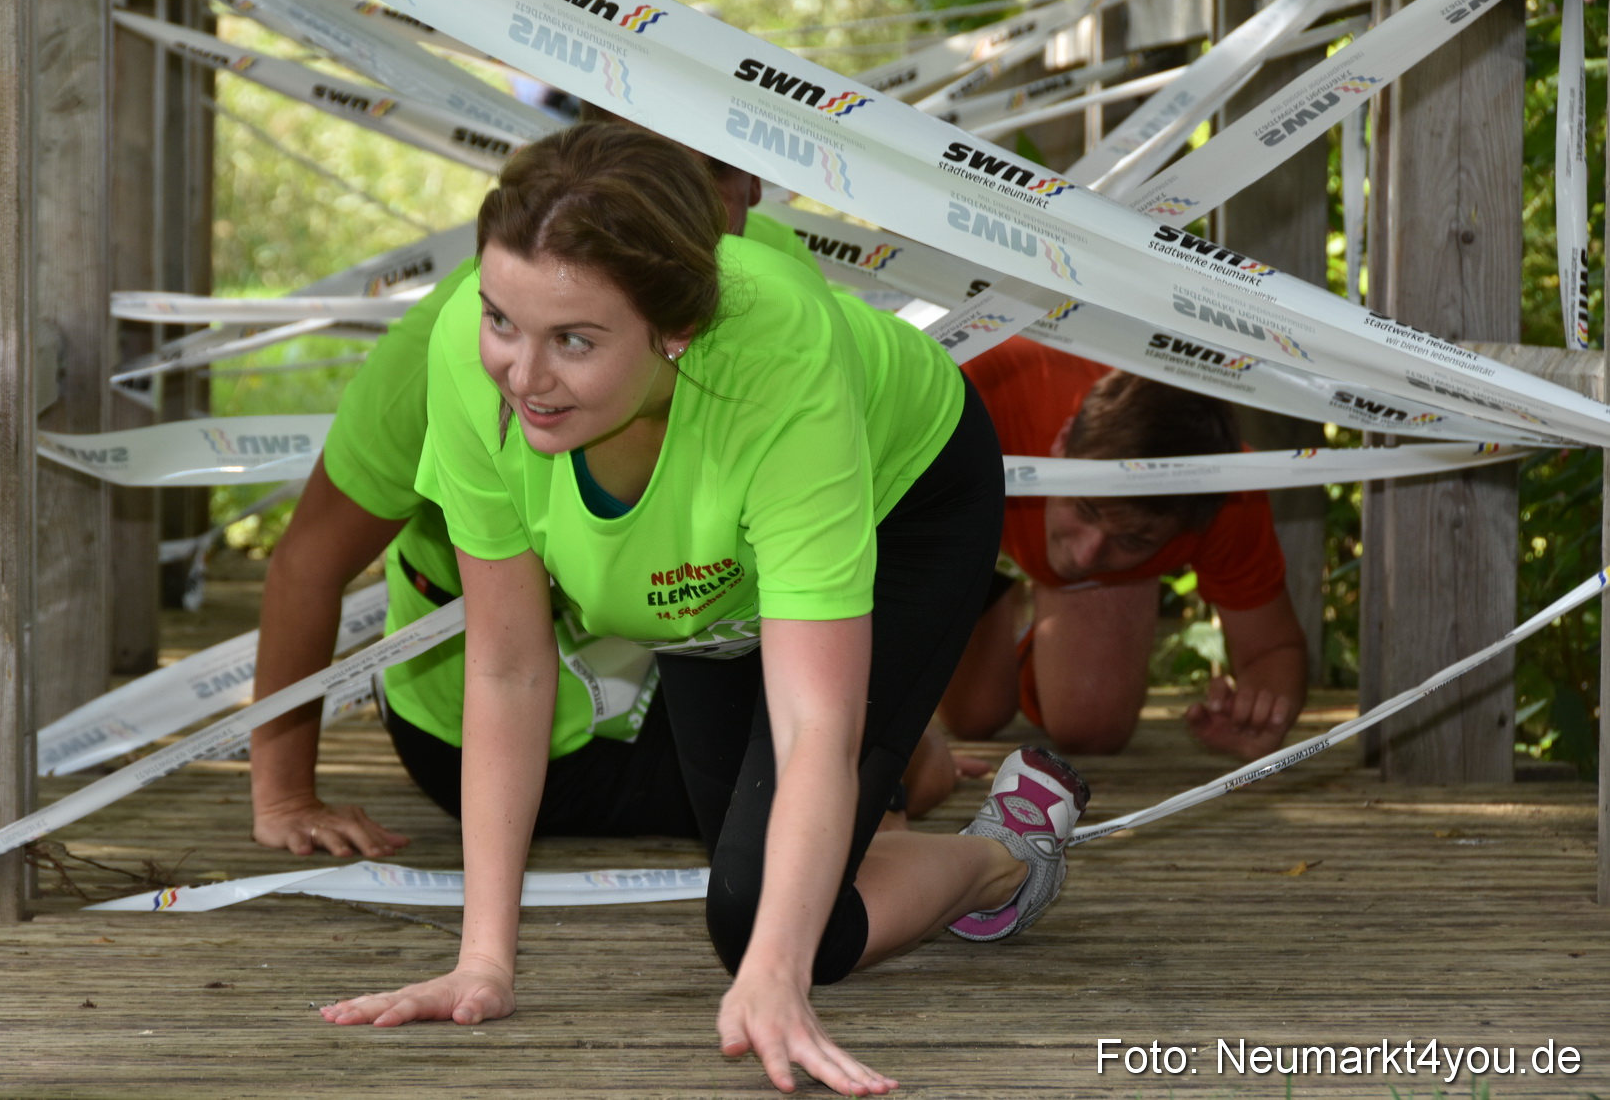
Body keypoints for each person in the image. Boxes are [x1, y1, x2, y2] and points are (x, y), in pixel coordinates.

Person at [317, 124, 1091, 1096]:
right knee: (771, 887)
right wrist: (483, 964)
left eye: (575, 340)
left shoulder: (779, 367)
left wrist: (777, 973)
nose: (523, 376)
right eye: (500, 319)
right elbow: (509, 667)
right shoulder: (468, 365)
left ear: (675, 330)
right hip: (703, 574)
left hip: (904, 501)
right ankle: (876, 834)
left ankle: (1004, 856)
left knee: (773, 930)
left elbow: (814, 723)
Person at [247, 133, 958, 859]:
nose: (694, 200)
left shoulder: (764, 271)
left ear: (755, 184)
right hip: (515, 724)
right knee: (865, 797)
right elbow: (309, 561)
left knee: (868, 783)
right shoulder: (451, 348)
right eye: (663, 168)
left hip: (690, 634)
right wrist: (283, 796)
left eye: (717, 168)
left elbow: (820, 495)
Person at [942, 336, 1308, 761]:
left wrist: (1259, 717)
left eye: (1133, 540)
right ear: (1062, 441)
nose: (1085, 555)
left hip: (1013, 512)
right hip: (957, 508)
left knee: (1090, 727)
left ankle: (1036, 651)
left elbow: (1273, 650)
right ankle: (997, 574)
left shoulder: (1229, 494)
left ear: (1191, 527)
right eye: (1085, 507)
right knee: (971, 716)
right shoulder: (978, 381)